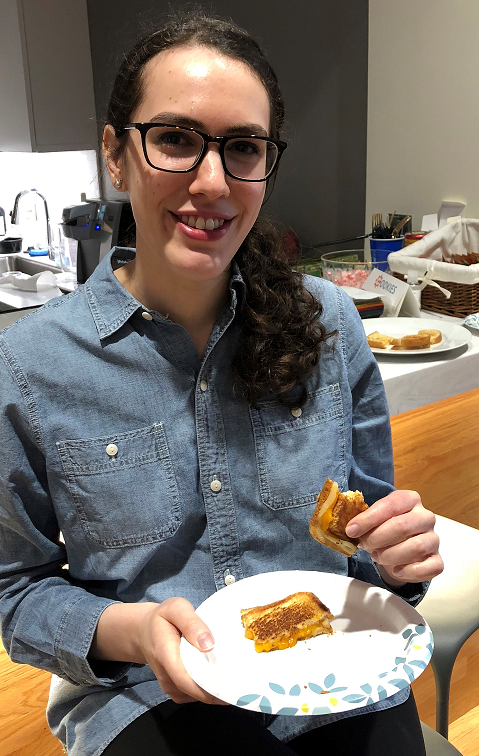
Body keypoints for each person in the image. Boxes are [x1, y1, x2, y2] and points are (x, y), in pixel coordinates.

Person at [0, 12, 443, 756]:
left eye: (242, 148)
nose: (212, 183)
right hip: (145, 695)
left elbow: (367, 546)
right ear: (116, 153)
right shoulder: (31, 364)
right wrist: (131, 632)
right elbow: (15, 592)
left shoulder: (329, 323)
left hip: (336, 676)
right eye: (174, 139)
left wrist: (396, 562)